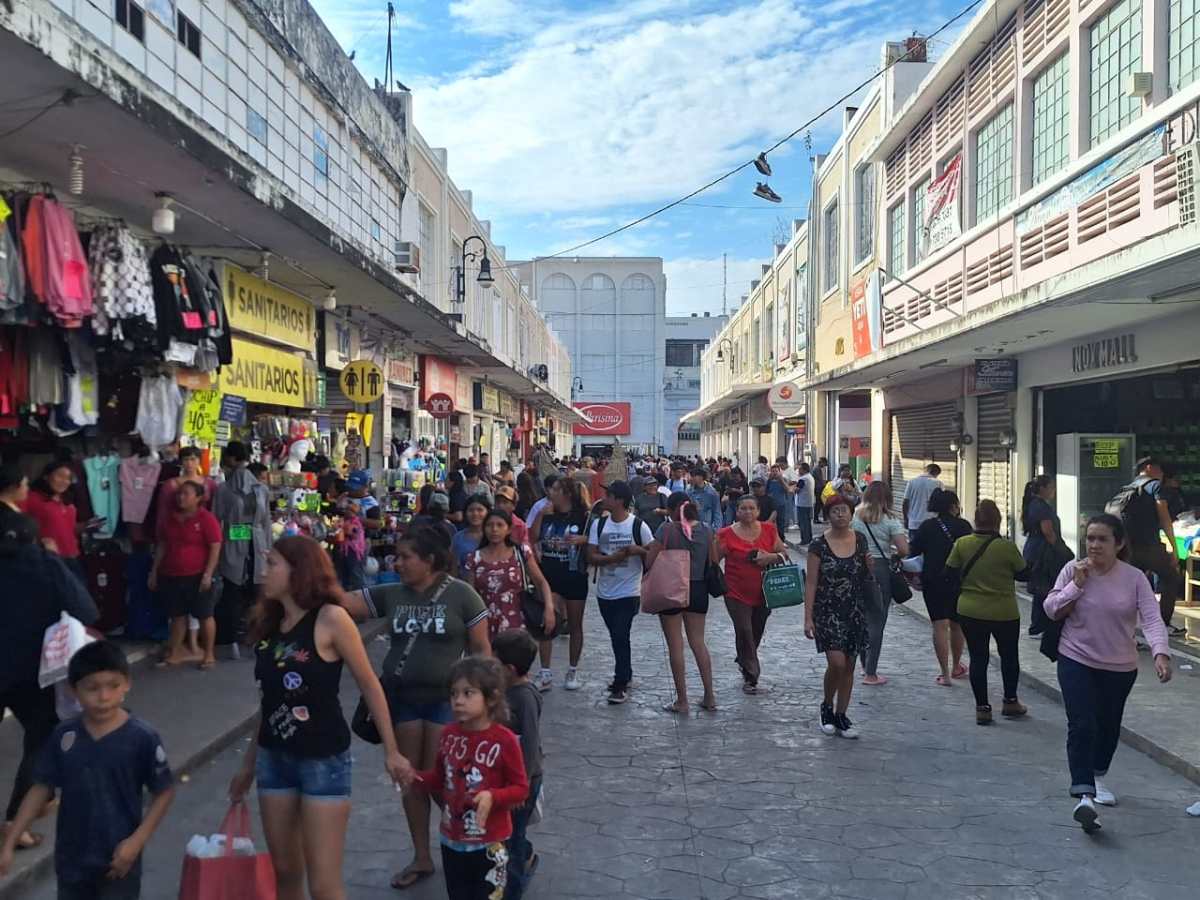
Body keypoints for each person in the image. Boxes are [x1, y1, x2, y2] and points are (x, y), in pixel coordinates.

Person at [229, 535, 412, 899]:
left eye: (273, 564)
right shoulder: (270, 624)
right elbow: (270, 701)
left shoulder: (331, 619)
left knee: (324, 884)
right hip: (273, 758)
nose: (265, 572)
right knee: (285, 871)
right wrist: (249, 765)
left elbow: (369, 685)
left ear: (299, 571)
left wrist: (392, 751)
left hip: (323, 759)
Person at [342, 528, 490, 889]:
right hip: (403, 700)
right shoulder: (393, 593)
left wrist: (479, 702)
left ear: (430, 561)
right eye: (397, 555)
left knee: (442, 780)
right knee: (412, 781)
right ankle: (422, 857)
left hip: (446, 702)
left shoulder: (462, 595)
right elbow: (345, 603)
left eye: (406, 556)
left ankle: (479, 839)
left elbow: (482, 651)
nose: (398, 562)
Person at [0, 641, 174, 898]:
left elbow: (164, 792)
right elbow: (41, 787)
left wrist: (136, 843)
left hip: (119, 860)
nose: (103, 697)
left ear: (127, 683)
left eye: (113, 686)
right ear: (74, 691)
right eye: (92, 688)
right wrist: (10, 841)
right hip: (72, 859)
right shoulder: (64, 735)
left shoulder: (142, 737)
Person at [1043, 514, 1171, 833]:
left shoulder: (1135, 578)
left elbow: (1152, 619)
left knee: (1108, 727)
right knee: (1082, 723)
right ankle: (1083, 794)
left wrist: (1160, 653)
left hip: (1119, 666)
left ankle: (1097, 775)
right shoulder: (1074, 570)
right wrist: (1076, 586)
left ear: (1119, 543)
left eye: (1102, 539)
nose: (1095, 545)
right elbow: (1050, 607)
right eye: (1090, 538)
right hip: (1076, 658)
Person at [0, 511, 98, 853]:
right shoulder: (46, 563)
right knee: (40, 740)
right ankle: (17, 822)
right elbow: (86, 610)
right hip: (30, 671)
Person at [411, 656, 528, 900]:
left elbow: (520, 789)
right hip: (451, 840)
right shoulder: (448, 735)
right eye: (454, 694)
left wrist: (492, 796)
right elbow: (439, 780)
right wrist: (412, 777)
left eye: (468, 693)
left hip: (490, 843)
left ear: (492, 697)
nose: (458, 701)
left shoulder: (505, 740)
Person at [946, 500, 1030, 725]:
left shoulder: (962, 544)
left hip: (970, 610)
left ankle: (982, 708)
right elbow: (1023, 575)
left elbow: (949, 572)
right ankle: (1010, 701)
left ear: (975, 519)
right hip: (1004, 612)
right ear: (998, 521)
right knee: (1009, 657)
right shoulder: (1007, 547)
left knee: (978, 657)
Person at [803, 494, 871, 739]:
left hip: (855, 610)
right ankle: (826, 706)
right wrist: (808, 617)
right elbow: (811, 582)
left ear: (851, 513)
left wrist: (871, 569)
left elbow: (865, 577)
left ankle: (842, 714)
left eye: (844, 510)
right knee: (837, 663)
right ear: (827, 515)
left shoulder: (861, 540)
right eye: (835, 511)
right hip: (827, 611)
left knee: (850, 664)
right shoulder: (818, 545)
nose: (840, 514)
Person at [645, 493, 717, 713]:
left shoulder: (665, 530)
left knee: (675, 645)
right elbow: (713, 561)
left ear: (672, 509)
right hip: (697, 589)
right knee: (698, 642)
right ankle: (709, 696)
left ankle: (682, 700)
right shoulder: (706, 530)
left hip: (671, 588)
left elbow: (650, 560)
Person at [587, 481, 655, 705]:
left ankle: (620, 683)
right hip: (605, 592)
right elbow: (591, 556)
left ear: (619, 500)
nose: (604, 499)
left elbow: (653, 554)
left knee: (620, 634)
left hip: (629, 591)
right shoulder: (599, 525)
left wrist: (639, 552)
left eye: (609, 495)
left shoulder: (638, 526)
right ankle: (625, 672)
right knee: (616, 635)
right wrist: (613, 558)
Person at [715, 495, 788, 695]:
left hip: (764, 592)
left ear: (758, 511)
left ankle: (744, 658)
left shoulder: (769, 530)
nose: (747, 512)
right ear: (736, 511)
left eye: (751, 508)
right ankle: (751, 675)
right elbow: (714, 561)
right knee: (744, 630)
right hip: (735, 591)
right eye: (743, 508)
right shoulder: (725, 534)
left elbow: (784, 554)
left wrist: (771, 557)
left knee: (756, 630)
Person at [150, 481, 222, 669]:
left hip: (197, 575)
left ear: (198, 498)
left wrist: (208, 574)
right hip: (172, 574)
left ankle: (208, 654)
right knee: (177, 616)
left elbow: (215, 546)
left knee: (205, 615)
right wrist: (154, 571)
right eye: (180, 493)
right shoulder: (169, 519)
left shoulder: (206, 519)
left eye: (186, 494)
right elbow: (162, 546)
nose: (181, 497)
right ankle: (175, 653)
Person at [493, 631, 543, 898]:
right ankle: (525, 853)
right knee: (512, 832)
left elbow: (530, 746)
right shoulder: (508, 690)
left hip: (522, 781)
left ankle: (512, 889)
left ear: (510, 669)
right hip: (508, 779)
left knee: (510, 839)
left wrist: (520, 787)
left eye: (495, 663)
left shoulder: (524, 698)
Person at [529, 477, 590, 692]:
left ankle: (572, 669)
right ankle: (545, 672)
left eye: (555, 489)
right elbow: (532, 537)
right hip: (550, 576)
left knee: (575, 625)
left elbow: (594, 538)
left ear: (566, 493)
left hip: (574, 576)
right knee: (547, 624)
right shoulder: (544, 511)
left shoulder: (583, 516)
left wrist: (584, 540)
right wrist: (539, 516)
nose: (550, 492)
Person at [212, 441, 271, 652]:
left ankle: (253, 635)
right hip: (247, 543)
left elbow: (265, 523)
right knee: (236, 592)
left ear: (231, 458)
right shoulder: (226, 488)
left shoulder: (251, 489)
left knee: (251, 593)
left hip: (250, 544)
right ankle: (234, 637)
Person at [1114, 457, 1183, 635]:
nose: (1161, 475)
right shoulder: (1153, 485)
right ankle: (1163, 624)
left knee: (1129, 587)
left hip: (1128, 548)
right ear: (1149, 468)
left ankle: (1125, 629)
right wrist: (1174, 548)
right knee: (1170, 577)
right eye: (1160, 470)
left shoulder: (1129, 487)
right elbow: (1164, 516)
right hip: (1149, 547)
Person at [909, 488, 971, 685]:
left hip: (933, 580)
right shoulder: (964, 526)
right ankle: (956, 667)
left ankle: (944, 674)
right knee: (956, 624)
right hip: (958, 580)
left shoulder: (927, 527)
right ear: (954, 506)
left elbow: (913, 552)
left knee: (939, 625)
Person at [464, 510, 555, 642]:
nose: (494, 529)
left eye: (500, 525)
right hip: (484, 624)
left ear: (508, 529)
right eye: (490, 525)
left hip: (517, 622)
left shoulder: (521, 553)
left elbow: (541, 582)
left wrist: (549, 608)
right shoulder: (474, 559)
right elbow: (469, 595)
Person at [852, 482, 909, 686]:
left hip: (857, 568)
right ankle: (871, 672)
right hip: (881, 570)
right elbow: (903, 549)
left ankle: (863, 663)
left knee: (861, 617)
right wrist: (892, 553)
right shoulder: (890, 520)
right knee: (877, 620)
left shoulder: (855, 516)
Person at [23, 460, 88, 580]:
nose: (64, 481)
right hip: (49, 559)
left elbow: (68, 529)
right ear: (46, 476)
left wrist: (86, 526)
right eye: (60, 476)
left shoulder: (66, 499)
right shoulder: (32, 498)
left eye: (68, 478)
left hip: (73, 557)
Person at [1022, 475, 1067, 638]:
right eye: (1051, 487)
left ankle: (1038, 625)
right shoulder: (1040, 507)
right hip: (1043, 553)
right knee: (1044, 587)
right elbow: (1048, 531)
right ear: (1043, 489)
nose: (1053, 491)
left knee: (1042, 587)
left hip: (1036, 550)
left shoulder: (1034, 505)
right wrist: (1060, 550)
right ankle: (1038, 626)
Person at [452, 496, 492, 577]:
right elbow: (454, 568)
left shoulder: (493, 536)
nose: (475, 514)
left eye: (480, 510)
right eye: (471, 510)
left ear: (488, 512)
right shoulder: (458, 538)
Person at [902, 463, 943, 542]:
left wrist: (905, 519)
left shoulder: (912, 482)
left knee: (914, 550)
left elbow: (905, 502)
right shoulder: (938, 483)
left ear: (925, 470)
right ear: (936, 473)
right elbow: (941, 503)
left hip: (914, 524)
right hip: (931, 524)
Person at [686, 467, 723, 531]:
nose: (691, 478)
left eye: (694, 476)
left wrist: (716, 530)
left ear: (701, 477)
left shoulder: (712, 493)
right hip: (691, 527)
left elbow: (717, 512)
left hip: (706, 527)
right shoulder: (688, 491)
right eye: (691, 476)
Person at [794, 462, 815, 545]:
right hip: (808, 502)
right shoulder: (810, 477)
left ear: (804, 470)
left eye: (800, 469)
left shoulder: (803, 479)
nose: (798, 471)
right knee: (807, 522)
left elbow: (797, 489)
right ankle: (808, 538)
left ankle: (804, 539)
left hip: (802, 503)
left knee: (803, 522)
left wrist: (793, 488)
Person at [766, 463, 791, 533]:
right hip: (771, 505)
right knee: (771, 522)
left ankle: (781, 537)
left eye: (776, 471)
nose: (774, 473)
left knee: (781, 522)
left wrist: (781, 480)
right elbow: (765, 491)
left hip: (781, 504)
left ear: (779, 472)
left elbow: (788, 490)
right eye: (773, 471)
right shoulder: (769, 481)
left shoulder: (784, 480)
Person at [812, 458, 829, 523]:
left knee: (820, 503)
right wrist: (825, 484)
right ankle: (816, 518)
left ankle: (823, 518)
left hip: (818, 488)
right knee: (819, 503)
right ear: (821, 462)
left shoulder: (817, 468)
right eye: (824, 464)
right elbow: (820, 480)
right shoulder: (817, 469)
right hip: (818, 488)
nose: (824, 466)